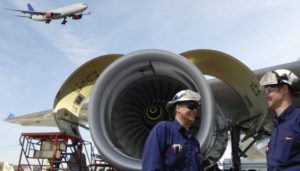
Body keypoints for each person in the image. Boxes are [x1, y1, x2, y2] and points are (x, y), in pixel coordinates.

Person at [142, 89, 203, 171]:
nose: (195, 110)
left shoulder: (194, 142)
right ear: (178, 108)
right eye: (191, 106)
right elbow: (151, 166)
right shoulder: (163, 129)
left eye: (196, 107)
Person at [259, 69, 300, 170]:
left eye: (269, 90)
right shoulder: (277, 126)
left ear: (284, 90)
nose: (266, 95)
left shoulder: (298, 118)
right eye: (265, 91)